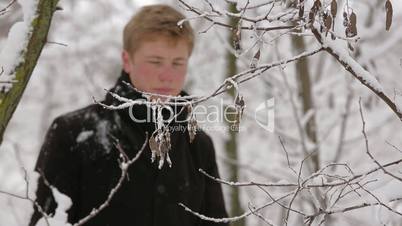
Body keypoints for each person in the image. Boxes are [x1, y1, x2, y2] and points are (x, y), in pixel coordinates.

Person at [29, 4, 228, 226]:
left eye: (177, 63)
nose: (167, 76)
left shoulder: (199, 146)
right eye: (155, 62)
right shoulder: (72, 133)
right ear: (127, 60)